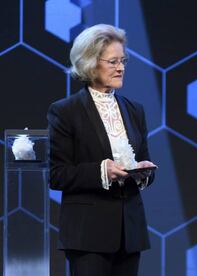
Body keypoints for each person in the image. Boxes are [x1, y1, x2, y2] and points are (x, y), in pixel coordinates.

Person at [47, 24, 156, 276]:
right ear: (90, 63)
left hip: (129, 234)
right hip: (88, 235)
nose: (121, 67)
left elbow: (146, 161)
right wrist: (102, 171)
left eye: (123, 60)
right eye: (113, 61)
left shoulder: (134, 110)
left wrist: (143, 172)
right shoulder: (65, 111)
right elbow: (57, 174)